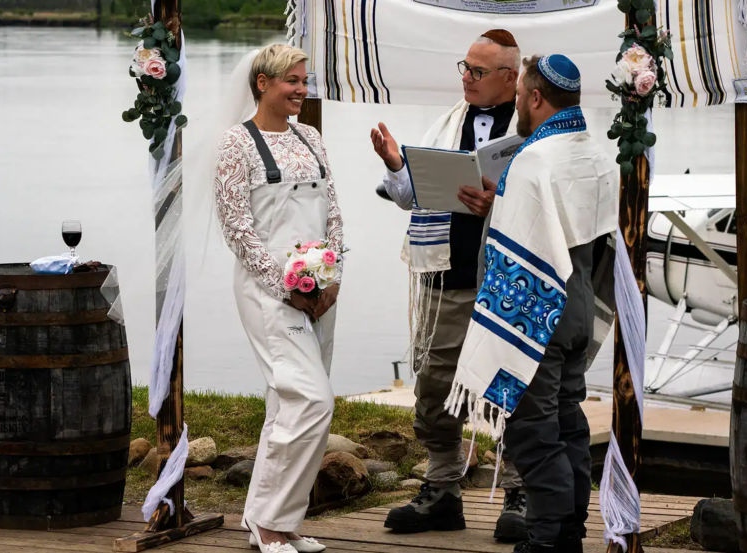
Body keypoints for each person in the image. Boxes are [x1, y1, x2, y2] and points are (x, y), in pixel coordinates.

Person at [445, 54, 619, 553]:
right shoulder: (596, 154)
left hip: (537, 311)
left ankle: (545, 540)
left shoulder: (534, 160)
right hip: (580, 302)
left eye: (520, 95)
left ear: (536, 98)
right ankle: (569, 533)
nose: (518, 104)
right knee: (568, 423)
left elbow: (519, 247)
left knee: (531, 430)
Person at [369, 29, 528, 541]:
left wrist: (497, 203)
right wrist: (396, 164)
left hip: (509, 280)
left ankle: (521, 492)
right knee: (435, 386)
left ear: (511, 77)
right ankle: (442, 490)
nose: (466, 78)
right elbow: (410, 196)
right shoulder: (446, 124)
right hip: (447, 275)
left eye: (478, 71)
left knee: (513, 384)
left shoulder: (533, 127)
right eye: (465, 67)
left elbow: (550, 200)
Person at [212, 44, 343, 553]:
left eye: (304, 80)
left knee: (286, 406)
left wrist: (330, 278)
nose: (301, 89)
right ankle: (269, 524)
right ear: (262, 83)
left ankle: (277, 522)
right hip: (268, 292)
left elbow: (333, 211)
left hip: (321, 290)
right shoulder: (235, 144)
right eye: (292, 80)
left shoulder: (311, 137)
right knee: (311, 400)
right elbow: (237, 228)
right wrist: (287, 287)